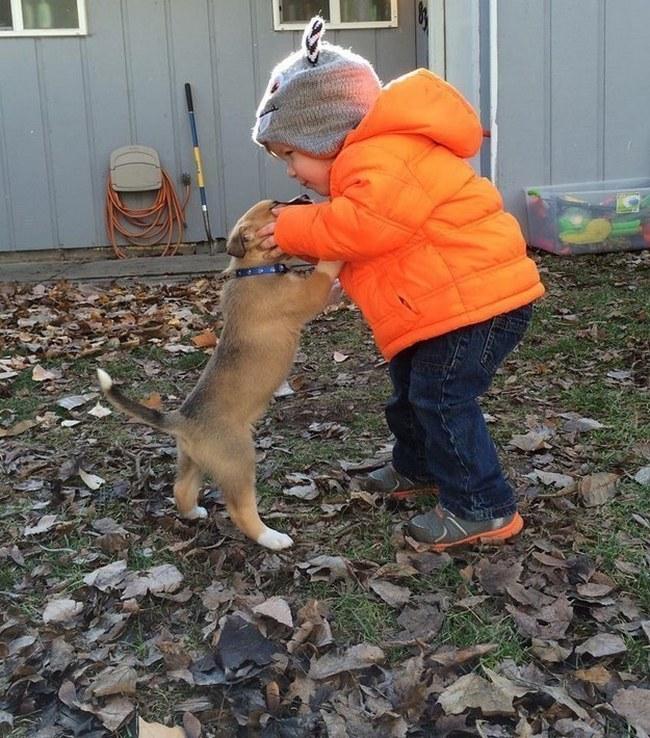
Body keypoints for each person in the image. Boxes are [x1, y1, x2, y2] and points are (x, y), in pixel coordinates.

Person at [251, 16, 545, 551]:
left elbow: (366, 227)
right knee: (411, 392)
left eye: (291, 153)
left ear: (326, 134)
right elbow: (379, 240)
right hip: (448, 304)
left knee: (441, 398)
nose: (291, 171)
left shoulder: (382, 155)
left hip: (478, 303)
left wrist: (294, 228)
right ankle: (420, 469)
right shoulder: (368, 167)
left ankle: (482, 507)